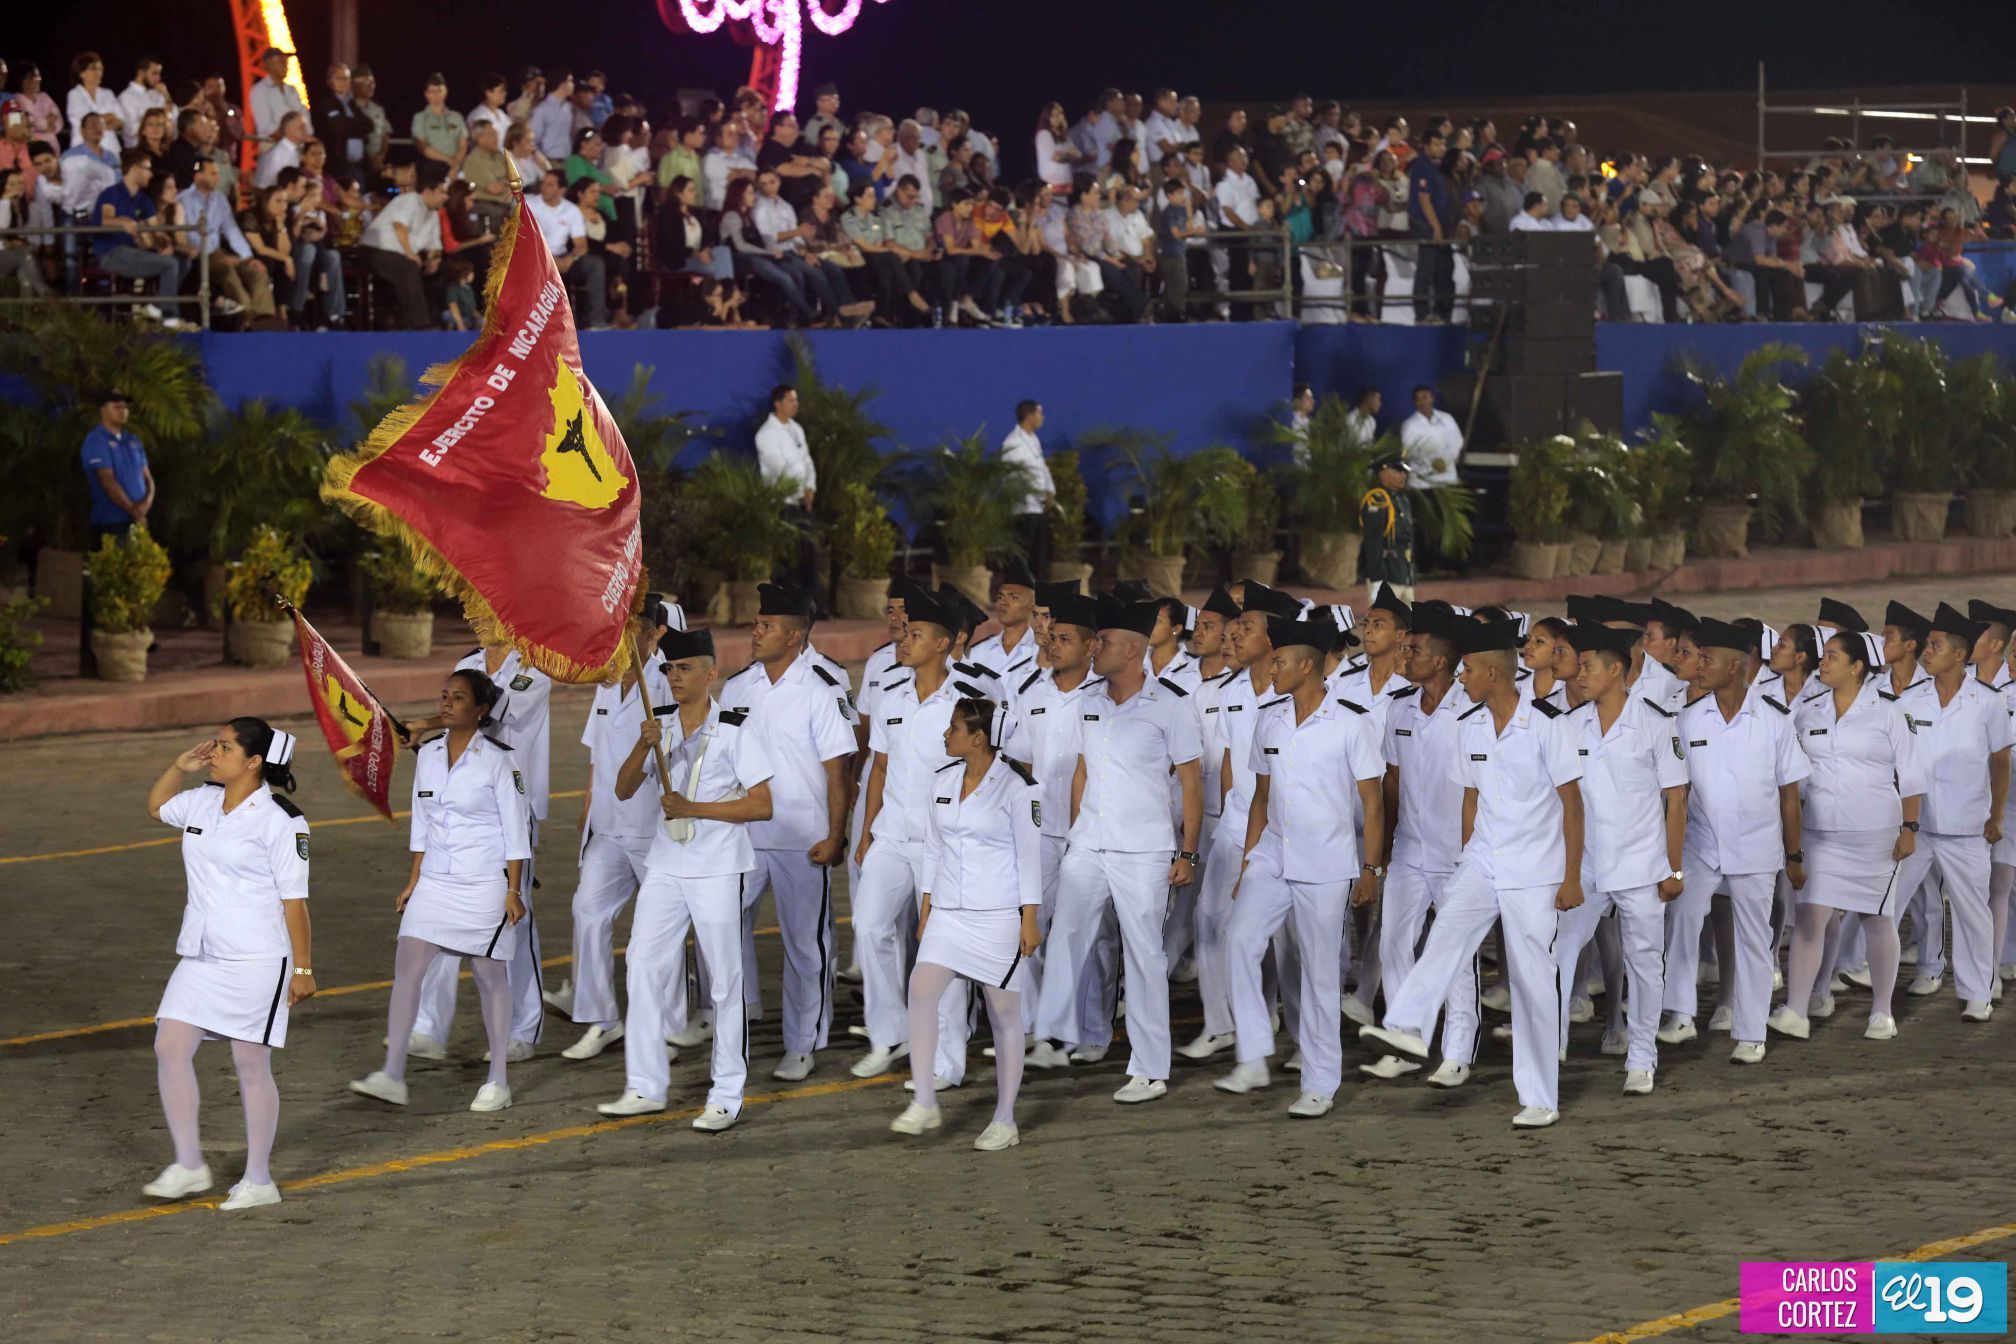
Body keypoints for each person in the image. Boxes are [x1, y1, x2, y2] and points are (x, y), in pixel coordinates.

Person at [1361, 618, 1584, 1128]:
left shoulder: (1548, 725)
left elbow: (1572, 806)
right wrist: (1466, 861)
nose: (1462, 679)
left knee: (1532, 983)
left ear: (1492, 675)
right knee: (1447, 933)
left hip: (1534, 871)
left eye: (1467, 671)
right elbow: (1470, 799)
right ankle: (1409, 1025)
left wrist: (1571, 879)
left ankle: (1539, 1097)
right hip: (1483, 859)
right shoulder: (1472, 727)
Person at [597, 627, 777, 1131]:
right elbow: (624, 787)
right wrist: (641, 746)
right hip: (667, 864)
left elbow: (762, 805)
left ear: (710, 673)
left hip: (718, 868)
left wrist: (694, 807)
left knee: (724, 981)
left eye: (685, 669)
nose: (675, 678)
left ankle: (727, 1092)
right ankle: (645, 1085)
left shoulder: (735, 729)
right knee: (642, 965)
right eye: (670, 670)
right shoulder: (661, 728)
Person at [1215, 618, 1385, 1118]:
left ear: (1307, 666)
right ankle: (1253, 1054)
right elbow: (1260, 799)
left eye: (1280, 662)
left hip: (1327, 862)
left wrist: (1371, 869)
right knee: (1240, 939)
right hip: (1271, 854)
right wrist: (1247, 863)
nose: (1271, 671)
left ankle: (1320, 1082)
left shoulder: (1351, 722)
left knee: (1318, 973)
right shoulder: (1268, 719)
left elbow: (1372, 804)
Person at [142, 719, 314, 1210]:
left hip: (259, 955)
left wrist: (302, 968)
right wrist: (180, 766)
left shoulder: (282, 820)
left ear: (254, 761)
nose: (213, 751)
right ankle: (190, 1165)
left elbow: (294, 902)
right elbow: (156, 807)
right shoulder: (201, 799)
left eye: (224, 746)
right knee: (170, 1045)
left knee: (249, 1062)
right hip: (202, 950)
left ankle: (259, 1179)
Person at [1039, 596, 1203, 1104]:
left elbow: (1193, 782)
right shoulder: (1088, 702)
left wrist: (1188, 853)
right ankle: (1058, 1034)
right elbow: (1083, 769)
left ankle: (1150, 1068)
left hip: (1144, 851)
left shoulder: (1170, 705)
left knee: (1144, 957)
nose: (1096, 649)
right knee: (1066, 933)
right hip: (1088, 844)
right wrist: (1072, 833)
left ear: (1132, 650)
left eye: (1105, 643)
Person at [348, 670, 531, 1113]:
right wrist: (413, 880)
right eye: (444, 696)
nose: (447, 704)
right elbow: (422, 824)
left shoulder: (500, 761)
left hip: (484, 882)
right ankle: (392, 1074)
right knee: (408, 966)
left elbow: (515, 832)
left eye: (459, 698)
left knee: (490, 978)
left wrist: (513, 890)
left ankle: (498, 1080)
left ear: (481, 711)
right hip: (435, 880)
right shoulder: (429, 754)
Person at [890, 697, 1044, 1150]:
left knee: (1003, 1015)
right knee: (920, 990)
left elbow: (1029, 857)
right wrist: (926, 909)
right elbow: (934, 849)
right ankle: (924, 1102)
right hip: (950, 914)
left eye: (954, 728)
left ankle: (1005, 1118)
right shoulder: (942, 780)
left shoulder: (1019, 787)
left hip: (997, 914)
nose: (946, 735)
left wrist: (1028, 920)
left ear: (977, 738)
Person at [1654, 619, 1811, 1063]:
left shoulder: (1774, 721)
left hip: (1757, 850)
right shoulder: (1687, 719)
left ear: (1737, 665)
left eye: (1708, 659)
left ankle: (1750, 1031)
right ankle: (1681, 1014)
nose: (1698, 666)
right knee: (1683, 920)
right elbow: (1676, 794)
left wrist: (1794, 857)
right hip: (1700, 846)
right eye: (1697, 658)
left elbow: (1790, 797)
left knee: (1754, 939)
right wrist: (1671, 859)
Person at [718, 583, 857, 1082]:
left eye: (767, 626)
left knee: (805, 944)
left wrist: (836, 836)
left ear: (795, 636)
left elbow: (838, 770)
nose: (756, 632)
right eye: (756, 623)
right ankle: (737, 1020)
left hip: (803, 835)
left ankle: (803, 1042)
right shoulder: (738, 688)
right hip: (746, 833)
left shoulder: (820, 689)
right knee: (722, 928)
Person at [1768, 630, 1924, 1044]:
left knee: (1877, 919)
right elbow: (1794, 779)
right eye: (1823, 657)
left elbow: (1911, 776)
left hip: (1875, 834)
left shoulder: (1890, 710)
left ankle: (1882, 1011)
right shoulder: (1807, 712)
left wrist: (1910, 829)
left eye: (1833, 657)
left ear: (1857, 666)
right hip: (1820, 833)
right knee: (1810, 918)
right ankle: (1797, 1011)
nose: (1824, 663)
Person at [1551, 623, 1688, 1093]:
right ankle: (1552, 1048)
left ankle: (1642, 1057)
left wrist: (1673, 868)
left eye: (1588, 667)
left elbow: (1677, 798)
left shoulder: (1655, 722)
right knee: (1558, 954)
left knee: (1645, 963)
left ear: (1615, 671)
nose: (1580, 674)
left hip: (1641, 865)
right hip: (1586, 866)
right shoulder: (1569, 726)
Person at [852, 589, 980, 1077]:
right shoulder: (890, 695)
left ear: (944, 643)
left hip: (943, 843)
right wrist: (866, 834)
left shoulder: (967, 703)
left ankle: (947, 1061)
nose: (904, 640)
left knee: (939, 945)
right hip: (891, 836)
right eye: (906, 632)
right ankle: (890, 1035)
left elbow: (981, 775)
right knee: (869, 927)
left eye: (917, 634)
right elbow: (879, 769)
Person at [406, 642, 553, 1062]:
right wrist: (429, 731)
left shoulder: (536, 666)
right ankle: (429, 1027)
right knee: (438, 913)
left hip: (510, 803)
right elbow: (460, 710)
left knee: (514, 922)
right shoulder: (468, 662)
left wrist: (424, 722)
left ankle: (523, 1029)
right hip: (460, 802)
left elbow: (491, 711)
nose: (482, 614)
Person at [545, 605, 675, 1061]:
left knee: (660, 932)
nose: (621, 638)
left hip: (650, 828)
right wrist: (586, 817)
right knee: (587, 911)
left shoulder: (664, 681)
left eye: (631, 630)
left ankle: (672, 1026)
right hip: (607, 828)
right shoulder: (605, 685)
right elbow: (596, 760)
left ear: (653, 633)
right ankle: (602, 1020)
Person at [1361, 601, 1474, 1082]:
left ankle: (1458, 1052)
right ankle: (1407, 1038)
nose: (1404, 655)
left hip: (1457, 851)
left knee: (1454, 952)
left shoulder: (1471, 710)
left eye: (1415, 649)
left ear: (1442, 660)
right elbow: (1391, 781)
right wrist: (1383, 847)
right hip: (1409, 847)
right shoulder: (1399, 708)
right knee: (1392, 943)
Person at [1890, 603, 2011, 1021]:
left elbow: (2000, 762)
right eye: (1927, 644)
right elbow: (1900, 762)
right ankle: (1881, 992)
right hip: (1917, 828)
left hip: (1965, 828)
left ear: (1959, 654)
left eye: (1935, 645)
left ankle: (1978, 993)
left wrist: (1995, 817)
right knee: (1887, 907)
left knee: (1973, 913)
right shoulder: (1910, 700)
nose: (1926, 651)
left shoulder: (1987, 703)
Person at [81, 389, 153, 547]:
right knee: (112, 568)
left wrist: (145, 505)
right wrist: (133, 509)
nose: (123, 411)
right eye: (117, 407)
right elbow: (107, 480)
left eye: (125, 407)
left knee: (137, 567)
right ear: (103, 410)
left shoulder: (133, 440)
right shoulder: (96, 440)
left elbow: (148, 478)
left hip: (138, 520)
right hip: (111, 522)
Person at [971, 556, 1041, 679]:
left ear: (1031, 606)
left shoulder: (1042, 652)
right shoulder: (979, 651)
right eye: (1000, 597)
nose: (1003, 602)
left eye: (1013, 597)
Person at [1359, 454, 1416, 603]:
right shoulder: (1377, 500)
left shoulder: (1402, 499)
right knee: (1382, 621)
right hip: (1386, 572)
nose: (1403, 475)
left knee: (1409, 621)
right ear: (1383, 473)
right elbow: (1372, 541)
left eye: (1404, 472)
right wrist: (1376, 578)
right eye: (1398, 471)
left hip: (1403, 570)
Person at [1398, 384, 1461, 486]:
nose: (1422, 402)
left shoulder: (1447, 418)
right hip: (1422, 481)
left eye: (1424, 397)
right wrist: (1432, 462)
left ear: (1432, 398)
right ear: (1414, 402)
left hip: (1447, 477)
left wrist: (1446, 460)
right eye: (1418, 399)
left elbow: (1457, 441)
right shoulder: (1409, 424)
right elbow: (1409, 450)